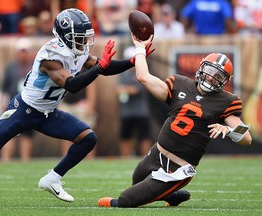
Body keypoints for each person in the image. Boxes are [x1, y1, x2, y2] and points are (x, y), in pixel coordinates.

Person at [0, 8, 154, 202]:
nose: (84, 42)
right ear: (64, 36)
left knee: (88, 138)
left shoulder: (77, 50)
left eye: (85, 37)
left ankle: (52, 178)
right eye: (79, 37)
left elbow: (103, 66)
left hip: (47, 113)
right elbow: (72, 85)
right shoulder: (51, 56)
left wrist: (133, 61)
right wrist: (100, 67)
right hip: (24, 109)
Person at [98, 34, 252, 208]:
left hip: (177, 170)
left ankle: (167, 190)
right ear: (201, 68)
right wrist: (140, 48)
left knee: (125, 201)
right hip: (156, 153)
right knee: (137, 182)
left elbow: (247, 138)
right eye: (210, 71)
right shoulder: (179, 83)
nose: (211, 77)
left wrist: (229, 131)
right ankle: (172, 196)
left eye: (218, 76)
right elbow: (143, 77)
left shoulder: (226, 101)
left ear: (224, 81)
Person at [0, 38, 35, 162]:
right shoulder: (11, 67)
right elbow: (4, 87)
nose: (23, 53)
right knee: (9, 134)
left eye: (25, 51)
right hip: (13, 105)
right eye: (21, 51)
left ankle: (25, 161)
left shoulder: (34, 67)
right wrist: (2, 102)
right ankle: (6, 161)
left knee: (27, 135)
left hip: (29, 105)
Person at [117, 46, 152, 157]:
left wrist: (126, 89)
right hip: (126, 112)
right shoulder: (124, 74)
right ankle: (125, 160)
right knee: (125, 137)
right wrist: (127, 90)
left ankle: (146, 159)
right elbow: (118, 90)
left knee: (144, 137)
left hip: (141, 112)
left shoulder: (142, 73)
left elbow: (137, 90)